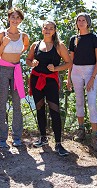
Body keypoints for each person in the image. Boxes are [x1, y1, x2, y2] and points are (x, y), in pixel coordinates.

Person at [26, 20, 71, 156]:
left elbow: (69, 63)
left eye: (51, 28)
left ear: (54, 30)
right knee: (40, 108)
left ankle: (58, 143)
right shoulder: (36, 45)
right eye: (46, 28)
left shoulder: (59, 46)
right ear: (42, 30)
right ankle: (43, 138)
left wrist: (56, 68)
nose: (48, 30)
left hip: (50, 81)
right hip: (36, 79)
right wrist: (31, 63)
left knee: (54, 110)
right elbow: (28, 60)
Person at [0, 8, 29, 148]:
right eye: (12, 17)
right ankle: (2, 138)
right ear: (9, 18)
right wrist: (4, 44)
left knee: (17, 104)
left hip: (16, 70)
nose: (15, 20)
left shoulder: (24, 36)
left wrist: (17, 52)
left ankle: (17, 137)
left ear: (21, 20)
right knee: (2, 104)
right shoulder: (1, 34)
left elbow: (24, 47)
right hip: (2, 69)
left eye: (18, 17)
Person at [67, 13, 97, 151]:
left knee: (92, 103)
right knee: (79, 101)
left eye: (83, 20)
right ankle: (81, 130)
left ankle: (95, 136)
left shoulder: (94, 38)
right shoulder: (73, 39)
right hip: (76, 71)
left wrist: (92, 78)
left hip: (90, 71)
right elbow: (71, 61)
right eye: (78, 20)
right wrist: (69, 78)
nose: (81, 22)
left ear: (88, 22)